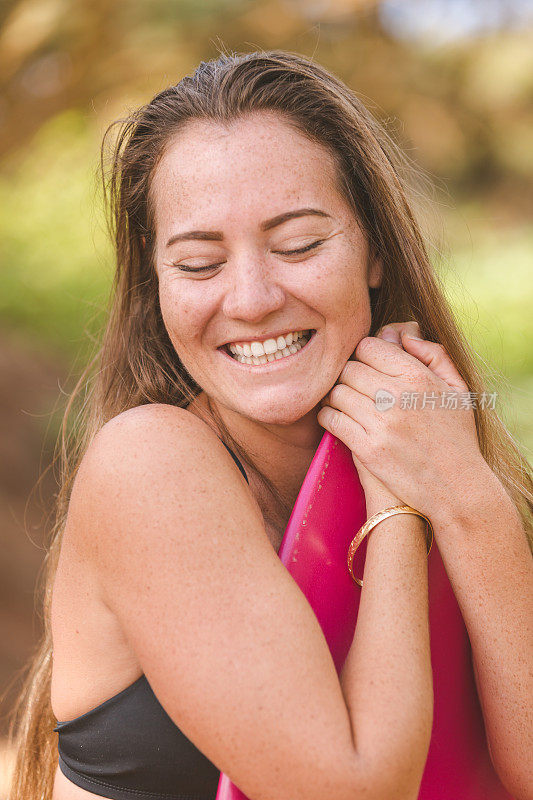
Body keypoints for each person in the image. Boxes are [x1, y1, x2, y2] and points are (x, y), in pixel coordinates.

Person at [8, 50, 532, 800]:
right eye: (197, 264)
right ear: (154, 283)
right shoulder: (148, 464)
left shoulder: (436, 455)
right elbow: (352, 790)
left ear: (375, 250)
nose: (250, 298)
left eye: (298, 245)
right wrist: (395, 504)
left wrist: (470, 500)